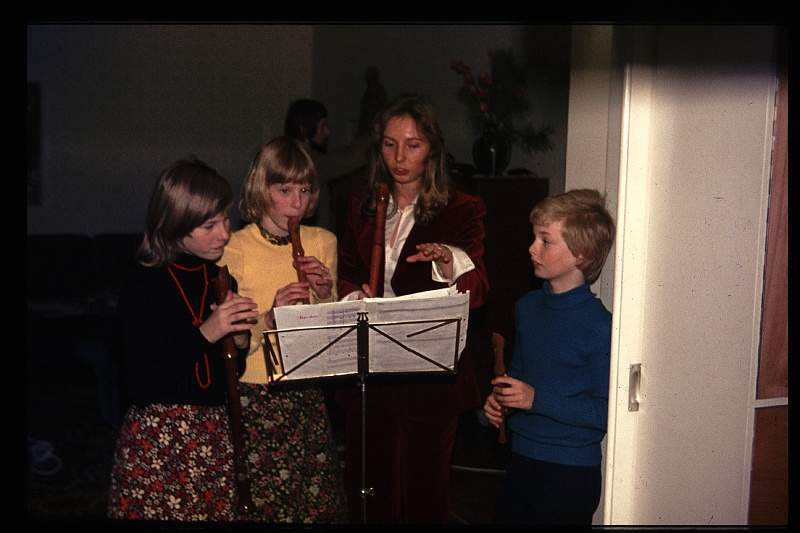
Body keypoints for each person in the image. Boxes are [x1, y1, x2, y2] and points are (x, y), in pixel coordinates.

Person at [336, 93, 489, 524]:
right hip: (370, 371)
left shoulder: (462, 210)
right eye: (389, 145)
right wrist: (353, 298)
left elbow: (478, 290)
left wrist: (449, 261)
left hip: (430, 375)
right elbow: (346, 274)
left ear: (432, 150)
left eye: (412, 145)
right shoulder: (362, 205)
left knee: (425, 497)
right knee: (370, 496)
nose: (399, 158)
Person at [107, 159, 259, 521]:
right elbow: (141, 385)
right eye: (209, 226)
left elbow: (224, 379)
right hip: (158, 440)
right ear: (175, 224)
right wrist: (208, 332)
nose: (224, 234)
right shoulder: (143, 283)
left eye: (226, 219)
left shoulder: (222, 279)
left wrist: (238, 344)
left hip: (212, 435)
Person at [217, 135, 347, 523]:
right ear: (261, 189)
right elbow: (231, 338)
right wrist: (270, 318)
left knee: (314, 504)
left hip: (307, 388)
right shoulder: (234, 247)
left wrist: (324, 294)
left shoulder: (322, 241)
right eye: (285, 190)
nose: (296, 203)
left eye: (304, 190)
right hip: (255, 393)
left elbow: (331, 331)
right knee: (265, 503)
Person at [483, 188, 616, 525]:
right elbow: (519, 374)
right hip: (520, 460)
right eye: (534, 238)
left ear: (582, 254)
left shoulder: (600, 325)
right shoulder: (527, 307)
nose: (532, 248)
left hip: (569, 473)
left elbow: (606, 412)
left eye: (545, 241)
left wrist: (535, 399)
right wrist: (502, 401)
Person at [284, 98, 371, 232]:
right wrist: (374, 135)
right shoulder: (302, 161)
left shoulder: (297, 155)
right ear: (304, 129)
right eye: (322, 126)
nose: (327, 132)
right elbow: (347, 159)